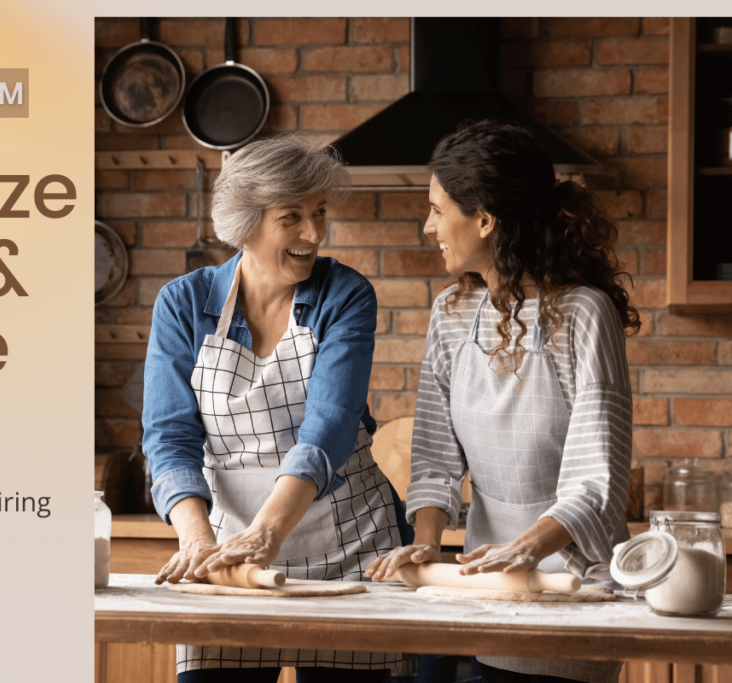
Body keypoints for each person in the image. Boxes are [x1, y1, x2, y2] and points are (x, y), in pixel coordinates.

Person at [365, 121, 639, 683]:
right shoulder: (452, 313)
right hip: (489, 582)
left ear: (485, 220)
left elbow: (596, 475)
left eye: (439, 210)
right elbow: (436, 453)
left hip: (572, 581)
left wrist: (529, 548)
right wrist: (424, 544)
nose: (428, 226)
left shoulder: (583, 314)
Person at [142, 136, 413, 682]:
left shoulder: (345, 294)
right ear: (246, 223)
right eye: (292, 217)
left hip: (349, 546)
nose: (313, 234)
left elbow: (330, 426)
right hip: (229, 553)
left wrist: (269, 531)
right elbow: (169, 437)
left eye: (319, 214)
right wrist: (198, 540)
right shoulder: (184, 303)